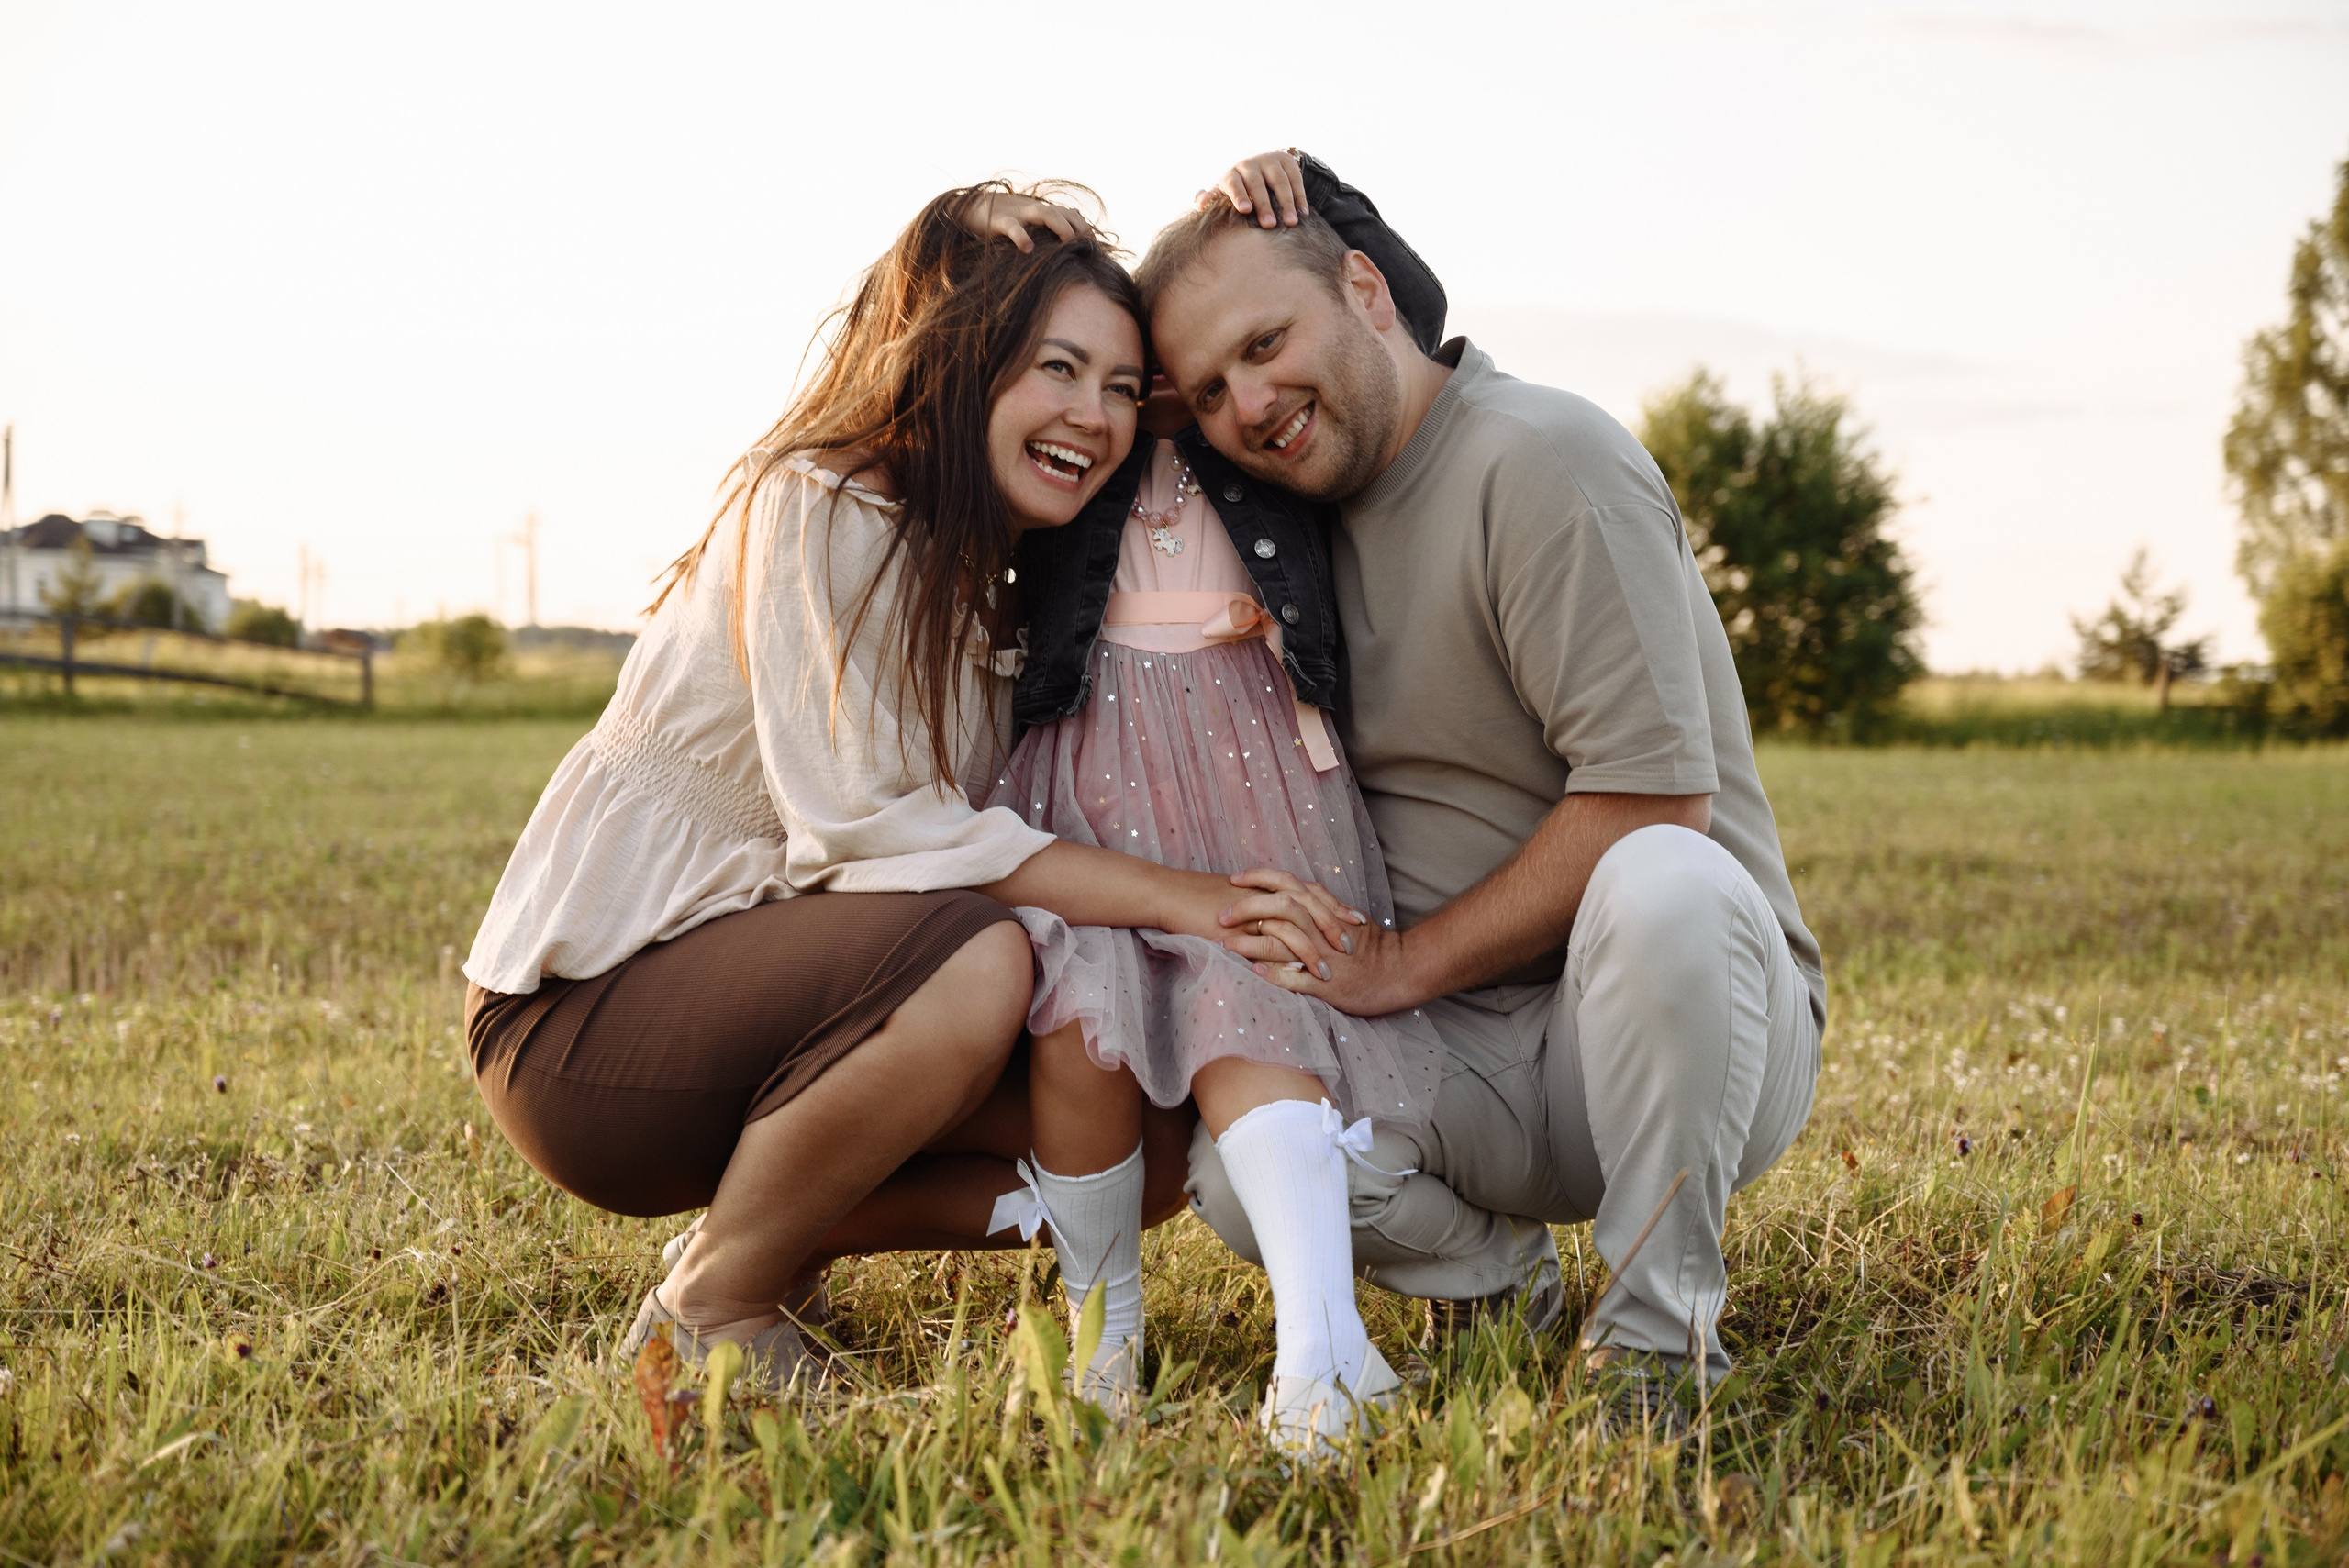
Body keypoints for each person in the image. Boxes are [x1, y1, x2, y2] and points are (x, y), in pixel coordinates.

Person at [459, 184, 1352, 1390]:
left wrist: (1289, 186)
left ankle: (773, 1236)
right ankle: (712, 1307)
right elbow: (875, 830)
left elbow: (1305, 359)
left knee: (1137, 1146)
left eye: (1121, 389)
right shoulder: (822, 503)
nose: (1094, 416)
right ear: (966, 356)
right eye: (1057, 369)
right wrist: (1185, 898)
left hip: (782, 1003)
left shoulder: (998, 564)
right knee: (979, 960)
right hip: (589, 1026)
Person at [1143, 153, 1828, 1429]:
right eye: (1209, 389)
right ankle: (1500, 1281)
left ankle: (1652, 1355)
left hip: (1678, 1021)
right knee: (1251, 1174)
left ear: (1365, 286)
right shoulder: (1290, 524)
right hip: (1458, 1058)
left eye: (1266, 340)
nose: (1249, 399)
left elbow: (1650, 805)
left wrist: (1402, 964)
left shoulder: (1543, 459)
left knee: (1668, 881)